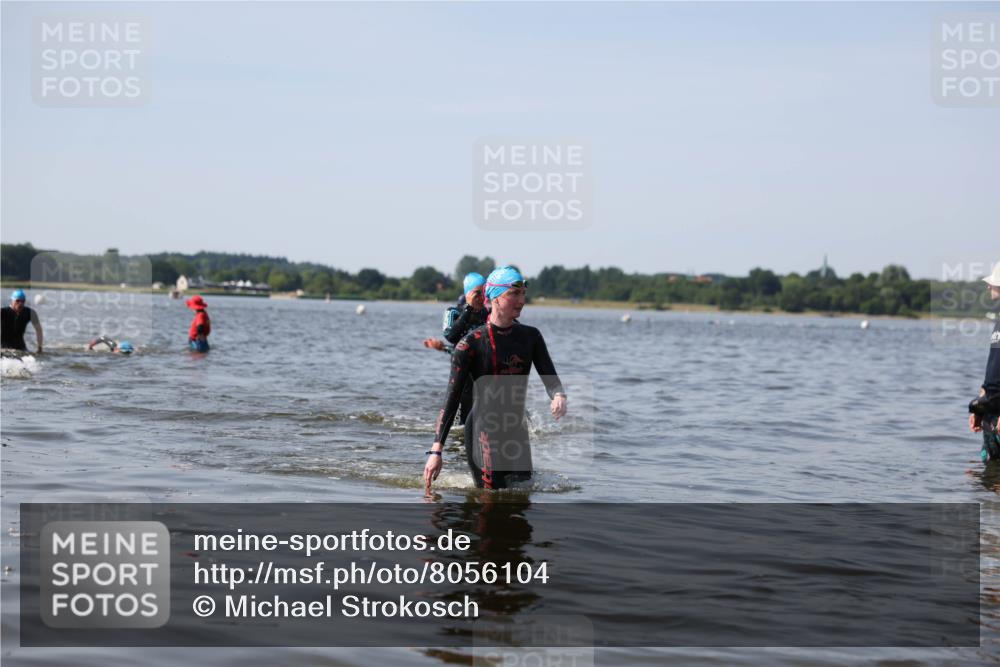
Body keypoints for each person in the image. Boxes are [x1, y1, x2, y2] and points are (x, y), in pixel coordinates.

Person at [424, 266, 567, 492]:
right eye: (513, 293)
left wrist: (558, 395)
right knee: (491, 503)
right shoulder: (469, 345)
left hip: (516, 431)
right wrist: (436, 450)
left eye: (523, 294)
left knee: (522, 501)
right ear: (495, 298)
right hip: (483, 432)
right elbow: (451, 400)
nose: (521, 300)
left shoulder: (531, 337)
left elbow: (550, 377)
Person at [422, 272, 489, 423]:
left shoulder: (487, 314)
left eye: (484, 293)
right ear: (467, 294)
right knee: (460, 425)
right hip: (461, 373)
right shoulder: (453, 312)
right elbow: (451, 336)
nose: (481, 297)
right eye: (477, 293)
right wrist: (469, 309)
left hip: (482, 372)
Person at [970, 262, 1000, 463]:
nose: (989, 287)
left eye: (994, 283)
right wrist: (980, 406)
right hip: (992, 409)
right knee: (990, 478)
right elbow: (994, 370)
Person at [1, 289, 43, 353]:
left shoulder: (30, 313)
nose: (20, 303)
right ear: (12, 300)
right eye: (17, 301)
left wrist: (39, 347)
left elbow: (38, 329)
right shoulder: (3, 312)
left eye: (22, 301)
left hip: (21, 348)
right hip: (3, 347)